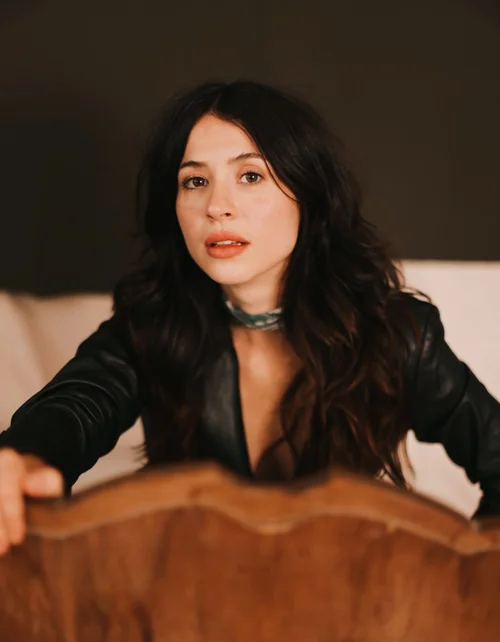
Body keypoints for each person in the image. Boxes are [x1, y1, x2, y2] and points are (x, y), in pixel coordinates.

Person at [0, 79, 499, 556]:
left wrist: (460, 583)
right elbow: (75, 407)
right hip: (195, 598)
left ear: (307, 194)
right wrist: (25, 456)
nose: (217, 207)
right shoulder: (154, 323)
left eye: (251, 176)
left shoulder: (396, 333)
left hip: (347, 599)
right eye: (195, 181)